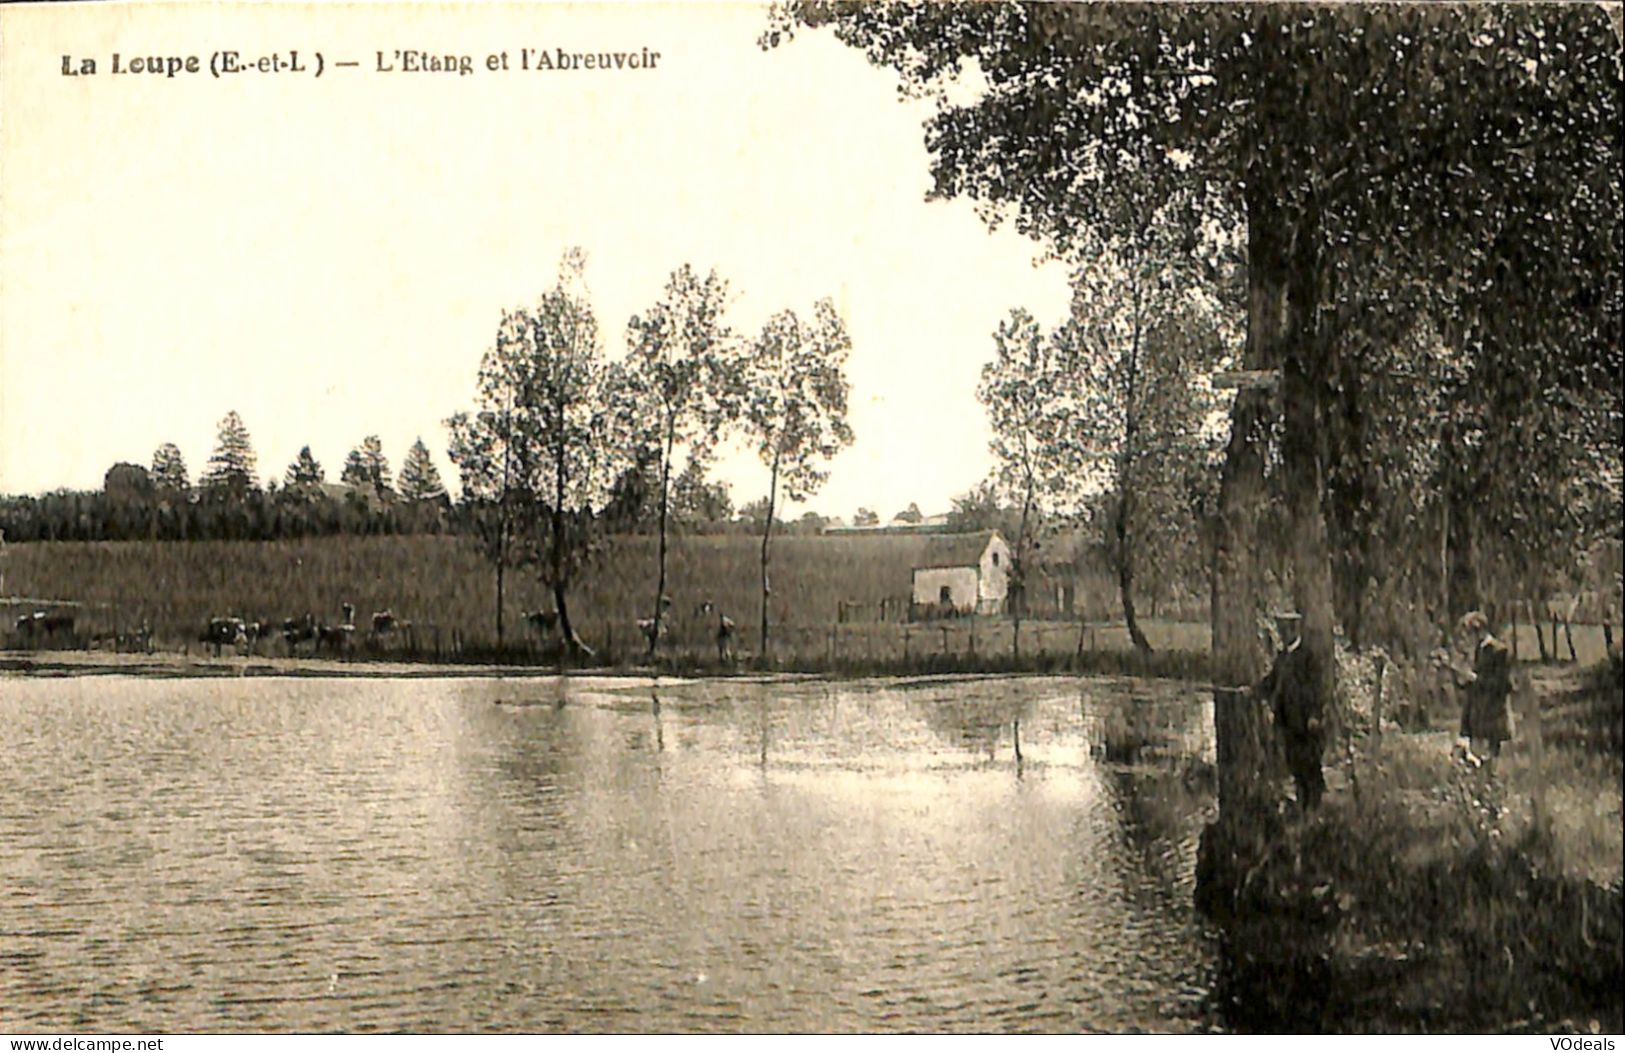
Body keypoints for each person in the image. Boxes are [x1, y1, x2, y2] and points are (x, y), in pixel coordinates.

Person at [1256, 611, 1326, 812]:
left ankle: (1314, 807)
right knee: (1294, 763)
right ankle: (1304, 806)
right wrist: (1253, 690)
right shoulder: (1283, 657)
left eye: (1286, 629)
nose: (1282, 633)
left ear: (1295, 630)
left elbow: (1318, 688)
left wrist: (1314, 714)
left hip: (1305, 723)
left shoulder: (1308, 657)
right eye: (1280, 629)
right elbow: (1271, 682)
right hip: (1288, 722)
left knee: (1309, 765)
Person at [1454, 610, 1513, 765]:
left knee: (1491, 761)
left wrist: (1475, 679)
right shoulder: (1475, 650)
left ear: (1478, 630)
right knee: (1474, 760)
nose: (1467, 639)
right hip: (1475, 714)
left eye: (1469, 634)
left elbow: (1503, 685)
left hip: (1491, 714)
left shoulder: (1499, 651)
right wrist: (1461, 679)